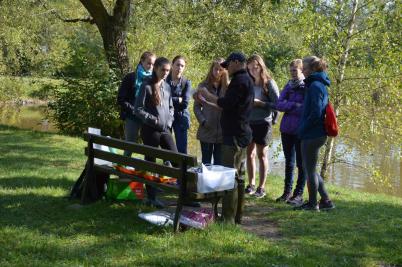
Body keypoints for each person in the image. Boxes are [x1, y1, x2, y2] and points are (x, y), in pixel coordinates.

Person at [197, 52, 254, 224]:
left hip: (234, 135)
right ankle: (238, 216)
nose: (226, 68)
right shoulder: (246, 79)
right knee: (240, 177)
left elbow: (227, 103)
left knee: (229, 176)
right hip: (242, 133)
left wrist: (206, 95)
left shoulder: (239, 81)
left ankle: (228, 219)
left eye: (228, 64)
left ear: (237, 62)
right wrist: (209, 102)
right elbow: (231, 106)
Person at [134, 57, 176, 208]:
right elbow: (137, 109)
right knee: (151, 162)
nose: (165, 73)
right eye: (163, 70)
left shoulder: (167, 87)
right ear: (156, 69)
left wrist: (169, 122)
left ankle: (185, 195)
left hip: (165, 130)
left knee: (177, 159)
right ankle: (151, 197)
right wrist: (154, 120)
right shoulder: (146, 86)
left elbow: (171, 108)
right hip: (150, 130)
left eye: (167, 70)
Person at [295, 56, 335, 211]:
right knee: (310, 168)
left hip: (313, 134)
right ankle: (326, 201)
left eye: (303, 68)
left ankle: (312, 204)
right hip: (315, 133)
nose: (302, 71)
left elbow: (316, 113)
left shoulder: (315, 86)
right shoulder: (317, 84)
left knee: (308, 170)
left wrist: (302, 128)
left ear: (311, 70)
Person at [244, 54, 279, 199]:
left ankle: (261, 187)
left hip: (264, 122)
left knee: (261, 155)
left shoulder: (269, 83)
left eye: (255, 66)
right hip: (248, 123)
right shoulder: (247, 82)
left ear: (261, 66)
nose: (253, 69)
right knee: (249, 153)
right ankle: (251, 184)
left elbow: (278, 104)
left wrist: (261, 104)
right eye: (250, 67)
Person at [275, 59, 307, 206]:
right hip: (286, 129)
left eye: (295, 70)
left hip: (300, 130)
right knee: (289, 162)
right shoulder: (288, 85)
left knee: (301, 163)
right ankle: (287, 192)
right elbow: (278, 104)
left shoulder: (306, 86)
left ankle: (298, 194)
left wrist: (289, 106)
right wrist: (293, 104)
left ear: (302, 70)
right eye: (291, 70)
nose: (293, 73)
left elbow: (305, 108)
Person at [117, 51, 156, 156]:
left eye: (153, 64)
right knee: (130, 146)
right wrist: (134, 110)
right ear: (141, 61)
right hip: (132, 117)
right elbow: (121, 99)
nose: (151, 66)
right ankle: (123, 168)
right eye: (148, 63)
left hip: (147, 118)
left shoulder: (154, 80)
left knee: (149, 147)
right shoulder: (130, 77)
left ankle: (145, 170)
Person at [193, 58, 229, 165]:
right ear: (211, 69)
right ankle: (205, 181)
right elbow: (196, 107)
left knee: (219, 162)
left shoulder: (228, 87)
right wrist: (203, 121)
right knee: (206, 162)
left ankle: (216, 182)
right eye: (215, 69)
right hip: (207, 130)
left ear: (224, 71)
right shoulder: (203, 86)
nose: (217, 72)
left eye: (220, 70)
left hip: (222, 131)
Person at [166, 55, 192, 154]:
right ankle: (168, 168)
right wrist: (178, 99)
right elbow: (160, 100)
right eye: (177, 65)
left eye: (182, 66)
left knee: (182, 149)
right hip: (166, 116)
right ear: (172, 65)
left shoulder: (186, 82)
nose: (179, 68)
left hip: (181, 118)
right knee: (167, 147)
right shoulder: (164, 80)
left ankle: (182, 169)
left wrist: (169, 99)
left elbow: (185, 103)